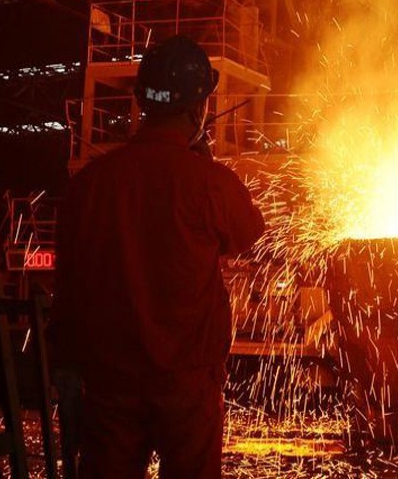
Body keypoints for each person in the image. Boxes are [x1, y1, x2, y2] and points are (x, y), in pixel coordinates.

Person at [50, 35, 265, 478]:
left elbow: (67, 284)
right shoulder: (209, 182)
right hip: (186, 386)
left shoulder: (90, 184)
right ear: (198, 108)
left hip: (110, 384)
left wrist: (67, 367)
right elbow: (250, 232)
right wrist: (201, 161)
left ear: (142, 102)